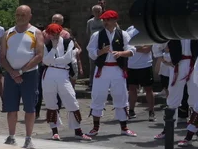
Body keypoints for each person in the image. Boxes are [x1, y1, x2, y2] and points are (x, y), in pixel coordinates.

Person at [86, 9, 136, 138]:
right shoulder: (97, 35)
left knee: (121, 95)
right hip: (102, 69)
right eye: (104, 20)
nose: (105, 22)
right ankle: (95, 127)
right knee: (98, 96)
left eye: (108, 20)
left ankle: (124, 127)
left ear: (115, 21)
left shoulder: (123, 34)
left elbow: (132, 50)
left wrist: (121, 53)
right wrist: (101, 52)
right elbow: (91, 52)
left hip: (117, 69)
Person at [0, 5, 43, 149]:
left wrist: (22, 71)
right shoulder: (8, 33)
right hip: (11, 75)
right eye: (18, 15)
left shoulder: (36, 32)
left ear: (30, 16)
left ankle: (28, 138)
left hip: (29, 75)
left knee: (30, 108)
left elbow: (39, 55)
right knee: (11, 107)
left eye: (23, 15)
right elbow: (2, 56)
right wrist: (12, 72)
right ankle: (11, 137)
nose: (20, 18)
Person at [41, 24, 93, 141]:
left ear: (59, 33)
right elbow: (46, 61)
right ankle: (55, 132)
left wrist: (53, 60)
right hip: (49, 73)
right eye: (51, 34)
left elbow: (67, 58)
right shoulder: (47, 45)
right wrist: (53, 49)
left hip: (63, 73)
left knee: (71, 100)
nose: (54, 36)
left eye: (56, 34)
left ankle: (78, 131)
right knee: (50, 102)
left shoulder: (68, 42)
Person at [154, 40, 195, 141]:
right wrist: (164, 61)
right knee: (173, 97)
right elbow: (157, 45)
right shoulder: (173, 31)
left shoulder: (194, 30)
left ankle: (194, 129)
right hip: (178, 64)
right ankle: (168, 129)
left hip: (194, 64)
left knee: (195, 97)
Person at [126, 33, 156, 122]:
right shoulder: (129, 31)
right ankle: (131, 111)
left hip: (145, 65)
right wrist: (139, 47)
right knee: (132, 89)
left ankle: (151, 112)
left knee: (148, 89)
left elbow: (147, 49)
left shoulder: (147, 31)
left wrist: (133, 48)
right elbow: (126, 48)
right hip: (131, 66)